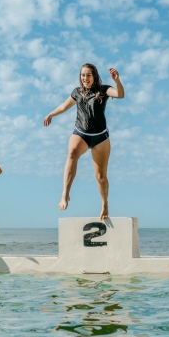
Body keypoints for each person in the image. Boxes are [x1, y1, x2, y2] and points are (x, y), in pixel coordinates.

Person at [43, 64, 125, 221]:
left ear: (94, 76)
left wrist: (117, 81)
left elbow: (120, 94)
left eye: (88, 75)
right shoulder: (77, 92)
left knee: (101, 176)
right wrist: (51, 114)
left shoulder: (104, 90)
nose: (85, 78)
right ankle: (65, 194)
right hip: (81, 133)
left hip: (101, 137)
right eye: (83, 75)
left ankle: (104, 204)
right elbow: (63, 107)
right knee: (72, 153)